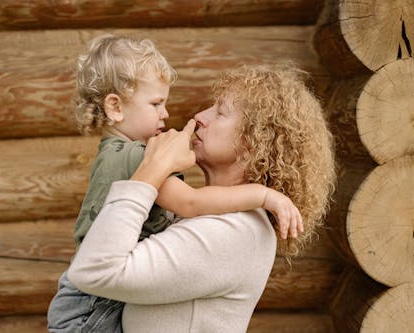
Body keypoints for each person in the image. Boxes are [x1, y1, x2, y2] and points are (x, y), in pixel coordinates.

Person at [47, 35, 303, 332]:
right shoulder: (136, 157)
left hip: (91, 301)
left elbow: (191, 204)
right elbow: (191, 203)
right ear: (115, 107)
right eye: (156, 103)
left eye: (220, 112)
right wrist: (262, 194)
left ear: (255, 143)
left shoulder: (238, 230)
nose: (196, 116)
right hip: (90, 306)